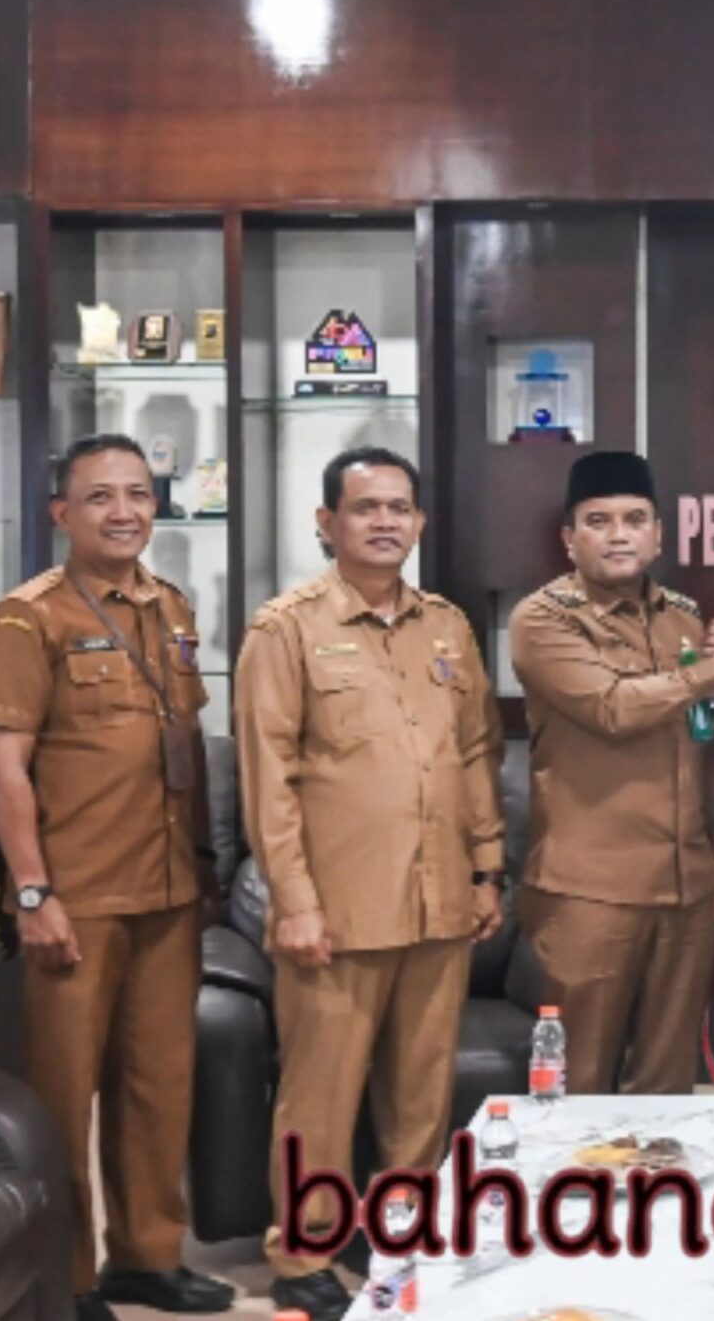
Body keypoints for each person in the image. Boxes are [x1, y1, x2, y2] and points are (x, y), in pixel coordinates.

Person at [236, 448, 508, 1321]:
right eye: (365, 507)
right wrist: (295, 901)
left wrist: (486, 867)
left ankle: (404, 1232)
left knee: (421, 1094)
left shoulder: (448, 627)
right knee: (318, 1097)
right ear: (328, 523)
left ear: (419, 521)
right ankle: (303, 1254)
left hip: (439, 899)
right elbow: (268, 778)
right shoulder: (285, 629)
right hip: (338, 911)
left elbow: (476, 751)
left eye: (399, 507)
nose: (385, 521)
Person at [0, 435, 233, 1321]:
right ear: (61, 513)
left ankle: (147, 1257)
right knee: (61, 1095)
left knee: (160, 1085)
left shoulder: (172, 606)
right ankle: (67, 1276)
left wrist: (204, 867)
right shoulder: (27, 618)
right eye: (99, 497)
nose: (123, 512)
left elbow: (186, 745)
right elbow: (3, 766)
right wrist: (33, 891)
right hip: (75, 895)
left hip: (166, 891)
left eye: (138, 494)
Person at [510, 451, 714, 1098]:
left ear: (658, 535)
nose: (618, 534)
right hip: (590, 890)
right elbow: (613, 708)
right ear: (570, 539)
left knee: (667, 1083)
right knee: (578, 1083)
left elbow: (705, 736)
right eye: (598, 521)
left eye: (634, 519)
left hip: (685, 886)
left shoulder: (683, 617)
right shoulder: (544, 619)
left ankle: (656, 1172)